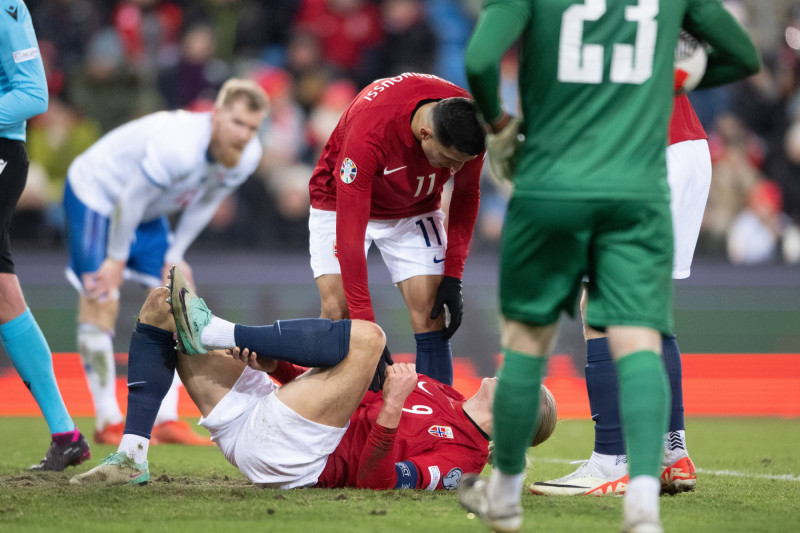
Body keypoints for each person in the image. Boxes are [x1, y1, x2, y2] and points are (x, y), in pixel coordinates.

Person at [461, 2, 760, 533]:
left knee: (533, 334)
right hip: (654, 165)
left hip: (566, 166)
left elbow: (482, 58)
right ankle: (656, 480)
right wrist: (660, 83)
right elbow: (742, 56)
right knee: (641, 323)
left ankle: (567, 473)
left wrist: (502, 128)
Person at [69, 266, 557, 489]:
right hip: (275, 420)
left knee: (368, 338)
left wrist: (389, 410)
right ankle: (132, 457)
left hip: (302, 456)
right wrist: (276, 368)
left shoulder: (462, 463)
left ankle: (217, 329)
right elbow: (333, 392)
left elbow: (377, 479)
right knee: (162, 307)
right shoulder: (447, 394)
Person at [63, 78, 268, 445]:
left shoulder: (247, 154)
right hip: (98, 193)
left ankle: (168, 419)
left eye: (253, 127)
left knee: (178, 303)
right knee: (100, 296)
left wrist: (176, 254)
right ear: (216, 115)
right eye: (237, 123)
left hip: (145, 207)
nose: (244, 135)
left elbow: (205, 201)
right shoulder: (179, 145)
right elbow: (130, 198)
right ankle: (108, 418)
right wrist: (115, 258)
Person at [530, 96, 709, 497]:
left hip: (640, 155)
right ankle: (671, 453)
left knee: (598, 307)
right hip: (690, 147)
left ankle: (611, 461)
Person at [308, 72, 486, 388]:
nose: (454, 169)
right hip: (341, 201)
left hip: (414, 207)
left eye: (460, 163)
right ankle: (319, 416)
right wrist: (366, 329)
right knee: (338, 313)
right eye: (448, 160)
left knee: (432, 314)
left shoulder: (468, 123)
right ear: (425, 133)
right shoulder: (370, 129)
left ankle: (437, 426)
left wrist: (454, 276)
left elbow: (466, 195)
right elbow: (350, 234)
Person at [0, 0, 90, 471]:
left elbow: (34, 94)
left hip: (1, 151)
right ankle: (65, 433)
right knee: (3, 294)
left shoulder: (7, 8)